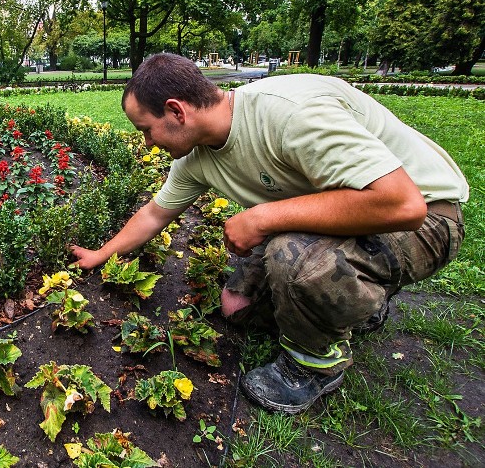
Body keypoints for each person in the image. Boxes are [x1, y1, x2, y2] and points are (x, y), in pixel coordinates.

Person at [70, 53, 468, 414]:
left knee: (293, 262)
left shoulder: (288, 114)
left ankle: (313, 367)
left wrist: (261, 218)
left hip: (428, 217)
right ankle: (360, 303)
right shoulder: (198, 154)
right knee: (236, 306)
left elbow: (403, 205)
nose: (148, 143)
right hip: (347, 212)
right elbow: (156, 213)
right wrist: (100, 254)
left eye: (147, 130)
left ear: (176, 111)